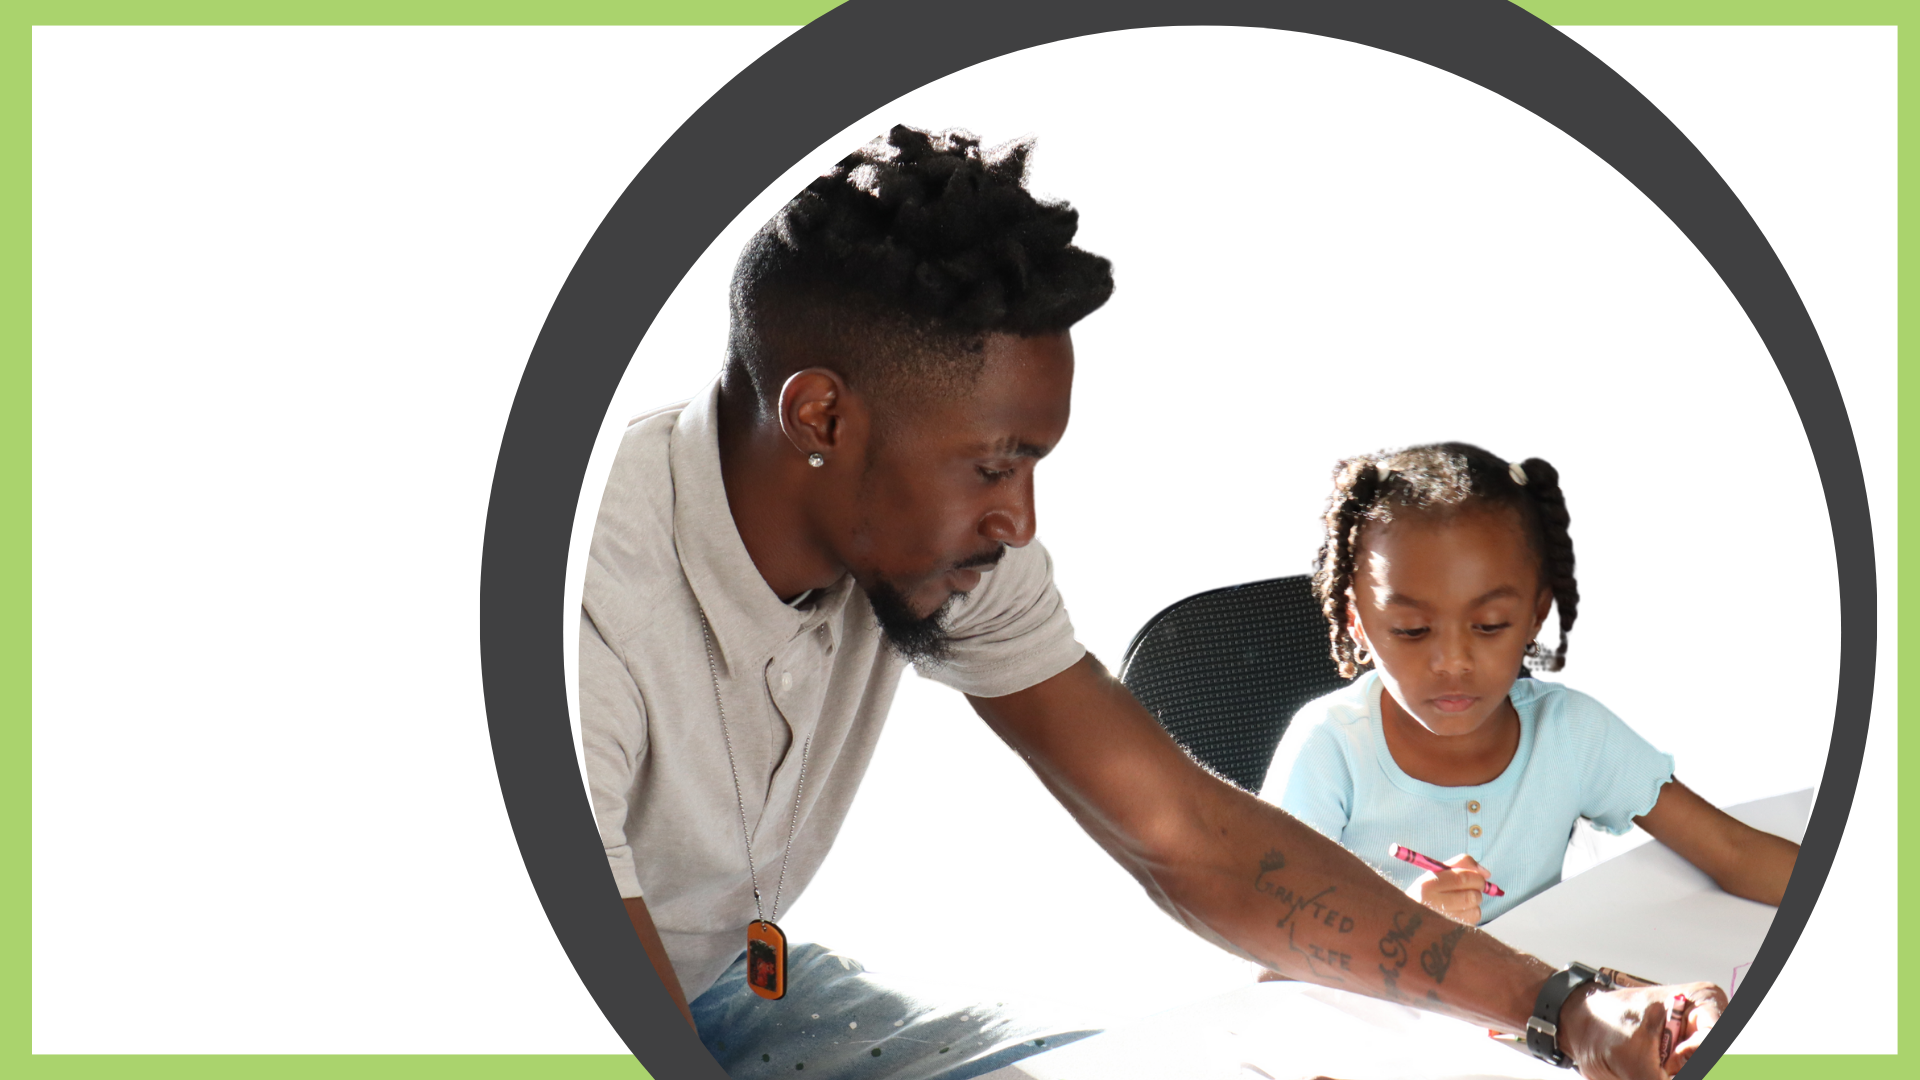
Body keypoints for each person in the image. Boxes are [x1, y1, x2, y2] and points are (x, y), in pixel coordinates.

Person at [580, 125, 1725, 1080]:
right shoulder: (583, 605)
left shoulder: (943, 537)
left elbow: (1189, 840)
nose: (1020, 519)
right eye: (995, 465)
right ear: (823, 419)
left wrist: (1563, 1008)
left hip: (735, 966)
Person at [1263, 443, 1800, 927]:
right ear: (1357, 622)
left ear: (1535, 616)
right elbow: (1263, 946)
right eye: (1412, 630)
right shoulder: (1331, 747)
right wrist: (1401, 922)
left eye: (1490, 625)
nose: (1452, 662)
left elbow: (1732, 851)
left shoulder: (1570, 734)